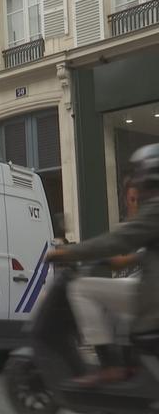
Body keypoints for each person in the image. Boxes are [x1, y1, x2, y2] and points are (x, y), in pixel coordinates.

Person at [46, 143, 159, 387]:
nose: (135, 198)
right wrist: (126, 259)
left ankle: (110, 366)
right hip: (148, 288)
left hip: (153, 298)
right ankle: (130, 361)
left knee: (82, 289)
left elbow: (117, 240)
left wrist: (68, 252)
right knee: (116, 293)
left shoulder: (156, 209)